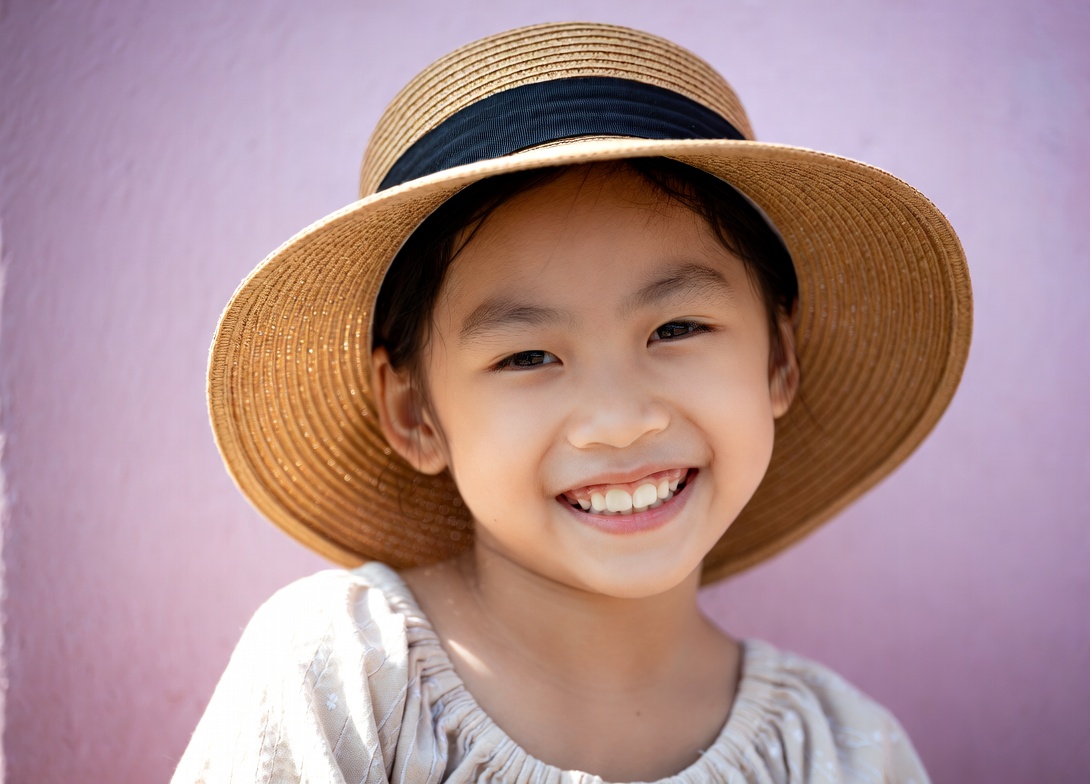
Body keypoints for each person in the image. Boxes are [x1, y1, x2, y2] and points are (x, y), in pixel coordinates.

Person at [175, 21, 970, 783]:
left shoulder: (841, 752)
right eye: (527, 356)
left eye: (677, 328)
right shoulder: (347, 679)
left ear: (779, 359)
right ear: (413, 412)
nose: (620, 421)